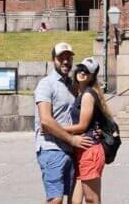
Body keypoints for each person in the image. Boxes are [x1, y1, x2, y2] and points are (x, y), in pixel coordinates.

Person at [34, 42, 95, 204]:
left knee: (75, 200)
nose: (66, 62)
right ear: (53, 59)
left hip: (70, 150)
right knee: (56, 200)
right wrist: (72, 139)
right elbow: (45, 121)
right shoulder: (46, 84)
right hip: (51, 149)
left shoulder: (72, 86)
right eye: (61, 58)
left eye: (69, 58)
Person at [64, 57, 112, 204]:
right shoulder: (82, 93)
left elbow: (82, 126)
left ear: (92, 76)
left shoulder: (87, 95)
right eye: (81, 68)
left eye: (87, 71)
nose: (82, 72)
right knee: (75, 201)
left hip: (89, 149)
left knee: (91, 199)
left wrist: (55, 128)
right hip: (82, 148)